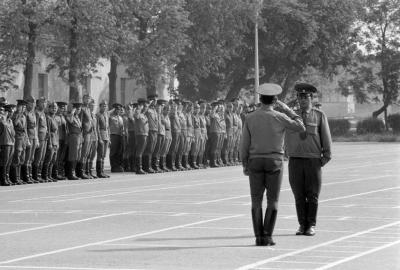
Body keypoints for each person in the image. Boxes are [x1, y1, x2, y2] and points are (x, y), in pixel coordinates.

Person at [241, 83, 305, 246]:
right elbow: (300, 126)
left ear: (260, 99)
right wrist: (287, 110)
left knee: (256, 200)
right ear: (275, 100)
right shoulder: (280, 116)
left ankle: (258, 237)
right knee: (273, 200)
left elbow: (244, 144)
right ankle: (267, 236)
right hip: (274, 161)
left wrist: (244, 163)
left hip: (255, 160)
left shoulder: (250, 117)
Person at [285, 83, 332, 236]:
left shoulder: (319, 115)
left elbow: (326, 137)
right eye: (300, 97)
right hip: (295, 160)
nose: (302, 100)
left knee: (312, 195)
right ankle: (301, 225)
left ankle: (311, 225)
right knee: (298, 195)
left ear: (311, 98)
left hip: (313, 160)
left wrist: (325, 158)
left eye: (306, 97)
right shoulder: (291, 115)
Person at [0, 103, 16, 186]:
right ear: (6, 112)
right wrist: (4, 117)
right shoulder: (2, 120)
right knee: (4, 162)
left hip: (11, 143)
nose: (12, 113)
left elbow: (13, 133)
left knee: (9, 162)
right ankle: (3, 179)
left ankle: (7, 177)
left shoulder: (10, 121)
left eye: (12, 112)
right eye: (10, 111)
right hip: (4, 143)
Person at [96, 100, 110, 178]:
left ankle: (102, 171)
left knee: (104, 155)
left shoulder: (106, 115)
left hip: (106, 136)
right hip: (101, 135)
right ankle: (99, 172)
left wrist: (109, 138)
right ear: (100, 106)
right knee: (100, 154)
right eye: (103, 106)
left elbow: (108, 128)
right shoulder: (98, 115)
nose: (104, 107)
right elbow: (97, 127)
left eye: (105, 106)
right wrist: (99, 138)